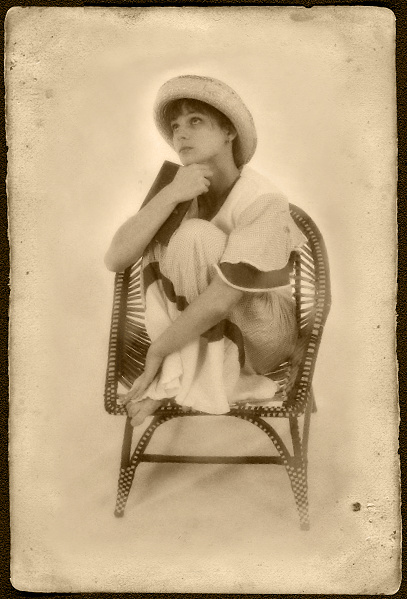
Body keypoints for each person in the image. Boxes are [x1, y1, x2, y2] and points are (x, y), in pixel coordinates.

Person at [105, 75, 306, 426]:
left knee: (194, 235)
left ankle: (170, 381)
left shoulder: (263, 197)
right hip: (207, 329)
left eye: (195, 121)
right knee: (161, 238)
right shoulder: (179, 186)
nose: (181, 134)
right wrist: (169, 195)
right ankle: (187, 376)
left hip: (263, 335)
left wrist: (158, 351)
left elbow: (221, 301)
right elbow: (116, 258)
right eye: (175, 126)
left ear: (229, 131)